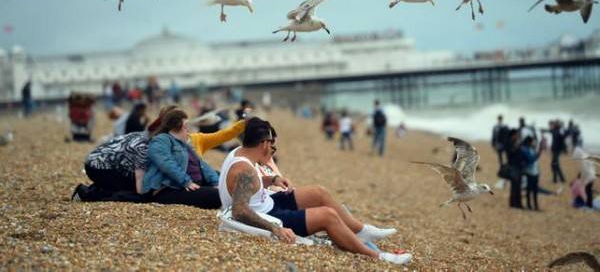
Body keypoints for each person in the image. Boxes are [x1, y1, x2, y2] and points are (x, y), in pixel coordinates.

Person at [218, 117, 412, 265]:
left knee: (319, 192)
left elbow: (246, 187)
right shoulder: (244, 171)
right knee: (328, 216)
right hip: (269, 216)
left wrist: (273, 179)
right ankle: (378, 256)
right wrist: (276, 229)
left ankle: (361, 231)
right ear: (264, 144)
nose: (272, 150)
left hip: (266, 203)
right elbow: (239, 211)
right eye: (272, 145)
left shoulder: (239, 153)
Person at [72, 105, 179, 202]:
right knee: (140, 196)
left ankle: (98, 188)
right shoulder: (146, 145)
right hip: (97, 167)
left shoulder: (153, 134)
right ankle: (85, 194)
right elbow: (140, 188)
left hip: (100, 160)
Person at [142, 109, 245, 208]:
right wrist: (186, 182)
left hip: (191, 183)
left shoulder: (184, 143)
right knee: (219, 196)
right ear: (178, 127)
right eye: (186, 126)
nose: (188, 130)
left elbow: (202, 165)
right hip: (169, 188)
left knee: (229, 188)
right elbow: (166, 163)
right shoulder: (160, 140)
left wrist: (217, 183)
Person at [521, 136, 542, 211]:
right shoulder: (525, 150)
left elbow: (535, 160)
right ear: (529, 142)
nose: (535, 143)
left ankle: (535, 206)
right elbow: (531, 160)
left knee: (535, 190)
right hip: (529, 172)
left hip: (535, 172)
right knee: (529, 190)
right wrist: (538, 154)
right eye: (533, 141)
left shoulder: (531, 149)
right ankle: (529, 205)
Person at [506, 129, 524, 209]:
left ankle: (517, 203)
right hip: (514, 166)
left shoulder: (516, 143)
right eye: (516, 135)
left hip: (518, 166)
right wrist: (517, 146)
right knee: (515, 186)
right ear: (512, 135)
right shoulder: (509, 143)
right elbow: (510, 154)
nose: (517, 136)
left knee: (518, 186)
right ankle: (514, 203)